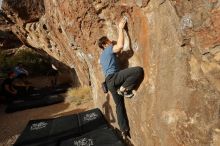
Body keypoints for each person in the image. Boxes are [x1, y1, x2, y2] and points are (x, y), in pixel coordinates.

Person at [98, 17, 144, 138]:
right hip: (114, 78)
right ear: (105, 44)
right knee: (138, 71)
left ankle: (124, 130)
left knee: (119, 105)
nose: (110, 43)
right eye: (109, 42)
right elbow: (120, 45)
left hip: (109, 83)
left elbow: (115, 55)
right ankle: (124, 89)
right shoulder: (108, 50)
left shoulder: (102, 57)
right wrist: (120, 29)